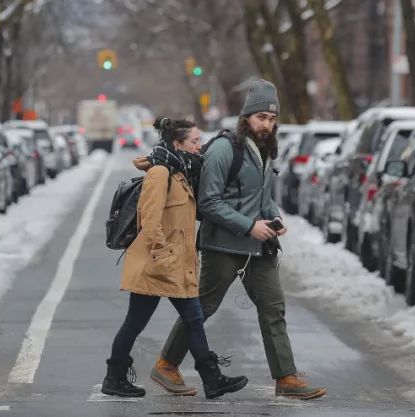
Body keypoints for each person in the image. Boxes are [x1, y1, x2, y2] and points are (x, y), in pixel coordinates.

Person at [152, 80, 327, 400]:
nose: (267, 125)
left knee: (273, 308)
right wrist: (249, 226)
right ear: (246, 117)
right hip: (223, 246)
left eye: (272, 119)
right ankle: (166, 364)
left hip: (259, 247)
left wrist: (274, 218)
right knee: (203, 307)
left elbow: (260, 196)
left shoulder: (266, 149)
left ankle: (286, 378)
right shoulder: (223, 149)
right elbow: (209, 202)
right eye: (261, 117)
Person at [103, 116, 248, 400]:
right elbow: (150, 219)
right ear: (177, 143)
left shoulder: (179, 171)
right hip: (159, 264)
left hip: (173, 265)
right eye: (194, 141)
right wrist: (165, 255)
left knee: (181, 319)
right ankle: (116, 376)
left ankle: (211, 379)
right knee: (147, 321)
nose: (199, 146)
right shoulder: (161, 173)